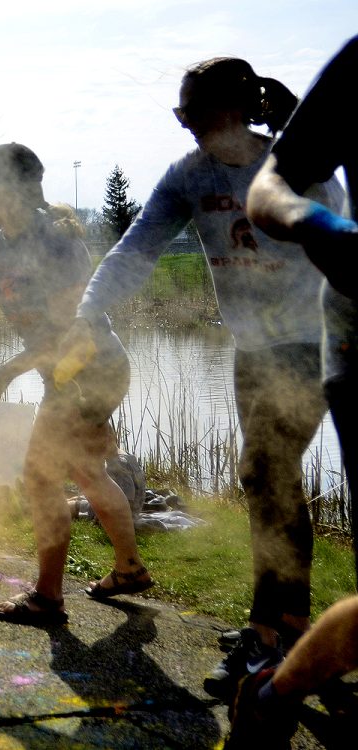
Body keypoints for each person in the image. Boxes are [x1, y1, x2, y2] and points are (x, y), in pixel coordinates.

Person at [69, 57, 345, 699]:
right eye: (180, 112)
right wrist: (88, 313)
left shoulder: (291, 166)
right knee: (273, 484)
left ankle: (263, 638)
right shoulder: (188, 177)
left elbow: (335, 220)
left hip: (312, 341)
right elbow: (137, 247)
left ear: (236, 108)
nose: (186, 123)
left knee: (262, 471)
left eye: (194, 110)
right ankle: (293, 623)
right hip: (253, 351)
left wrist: (301, 136)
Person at [0, 143, 151, 626]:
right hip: (64, 376)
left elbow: (67, 331)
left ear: (16, 190)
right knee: (86, 472)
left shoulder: (59, 243)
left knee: (42, 477)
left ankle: (47, 600)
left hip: (93, 369)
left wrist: (6, 373)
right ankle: (129, 569)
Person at [229, 36, 358, 749]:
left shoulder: (318, 171)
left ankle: (281, 643)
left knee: (269, 473)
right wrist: (322, 227)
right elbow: (283, 194)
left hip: (302, 346)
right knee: (263, 474)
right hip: (330, 340)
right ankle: (275, 654)